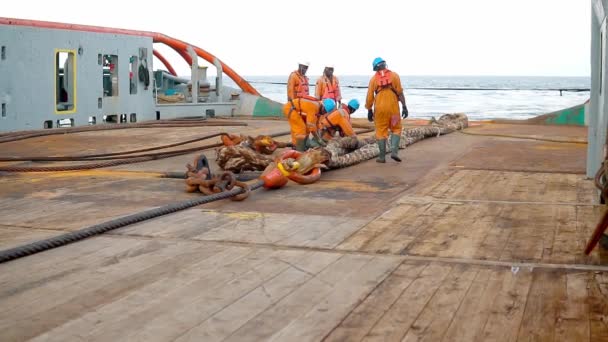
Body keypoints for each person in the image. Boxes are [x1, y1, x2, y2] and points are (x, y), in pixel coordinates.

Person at [365, 57, 409, 163]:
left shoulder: (373, 79)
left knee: (381, 131)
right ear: (385, 65)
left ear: (375, 68)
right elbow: (400, 92)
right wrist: (404, 106)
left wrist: (369, 109)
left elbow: (370, 96)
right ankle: (394, 152)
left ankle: (382, 157)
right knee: (396, 128)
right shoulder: (395, 76)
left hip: (380, 110)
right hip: (393, 109)